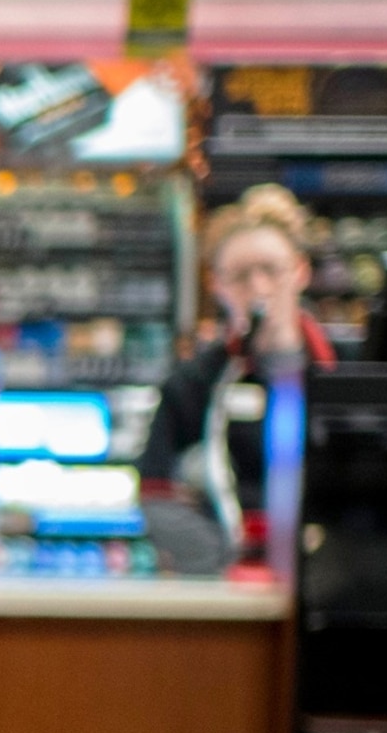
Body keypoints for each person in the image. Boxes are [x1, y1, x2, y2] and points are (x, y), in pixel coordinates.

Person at [138, 182, 334, 570]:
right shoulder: (194, 383)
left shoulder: (347, 368)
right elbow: (154, 492)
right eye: (241, 276)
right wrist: (221, 563)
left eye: (271, 270)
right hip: (234, 578)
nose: (258, 288)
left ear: (300, 271)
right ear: (218, 285)